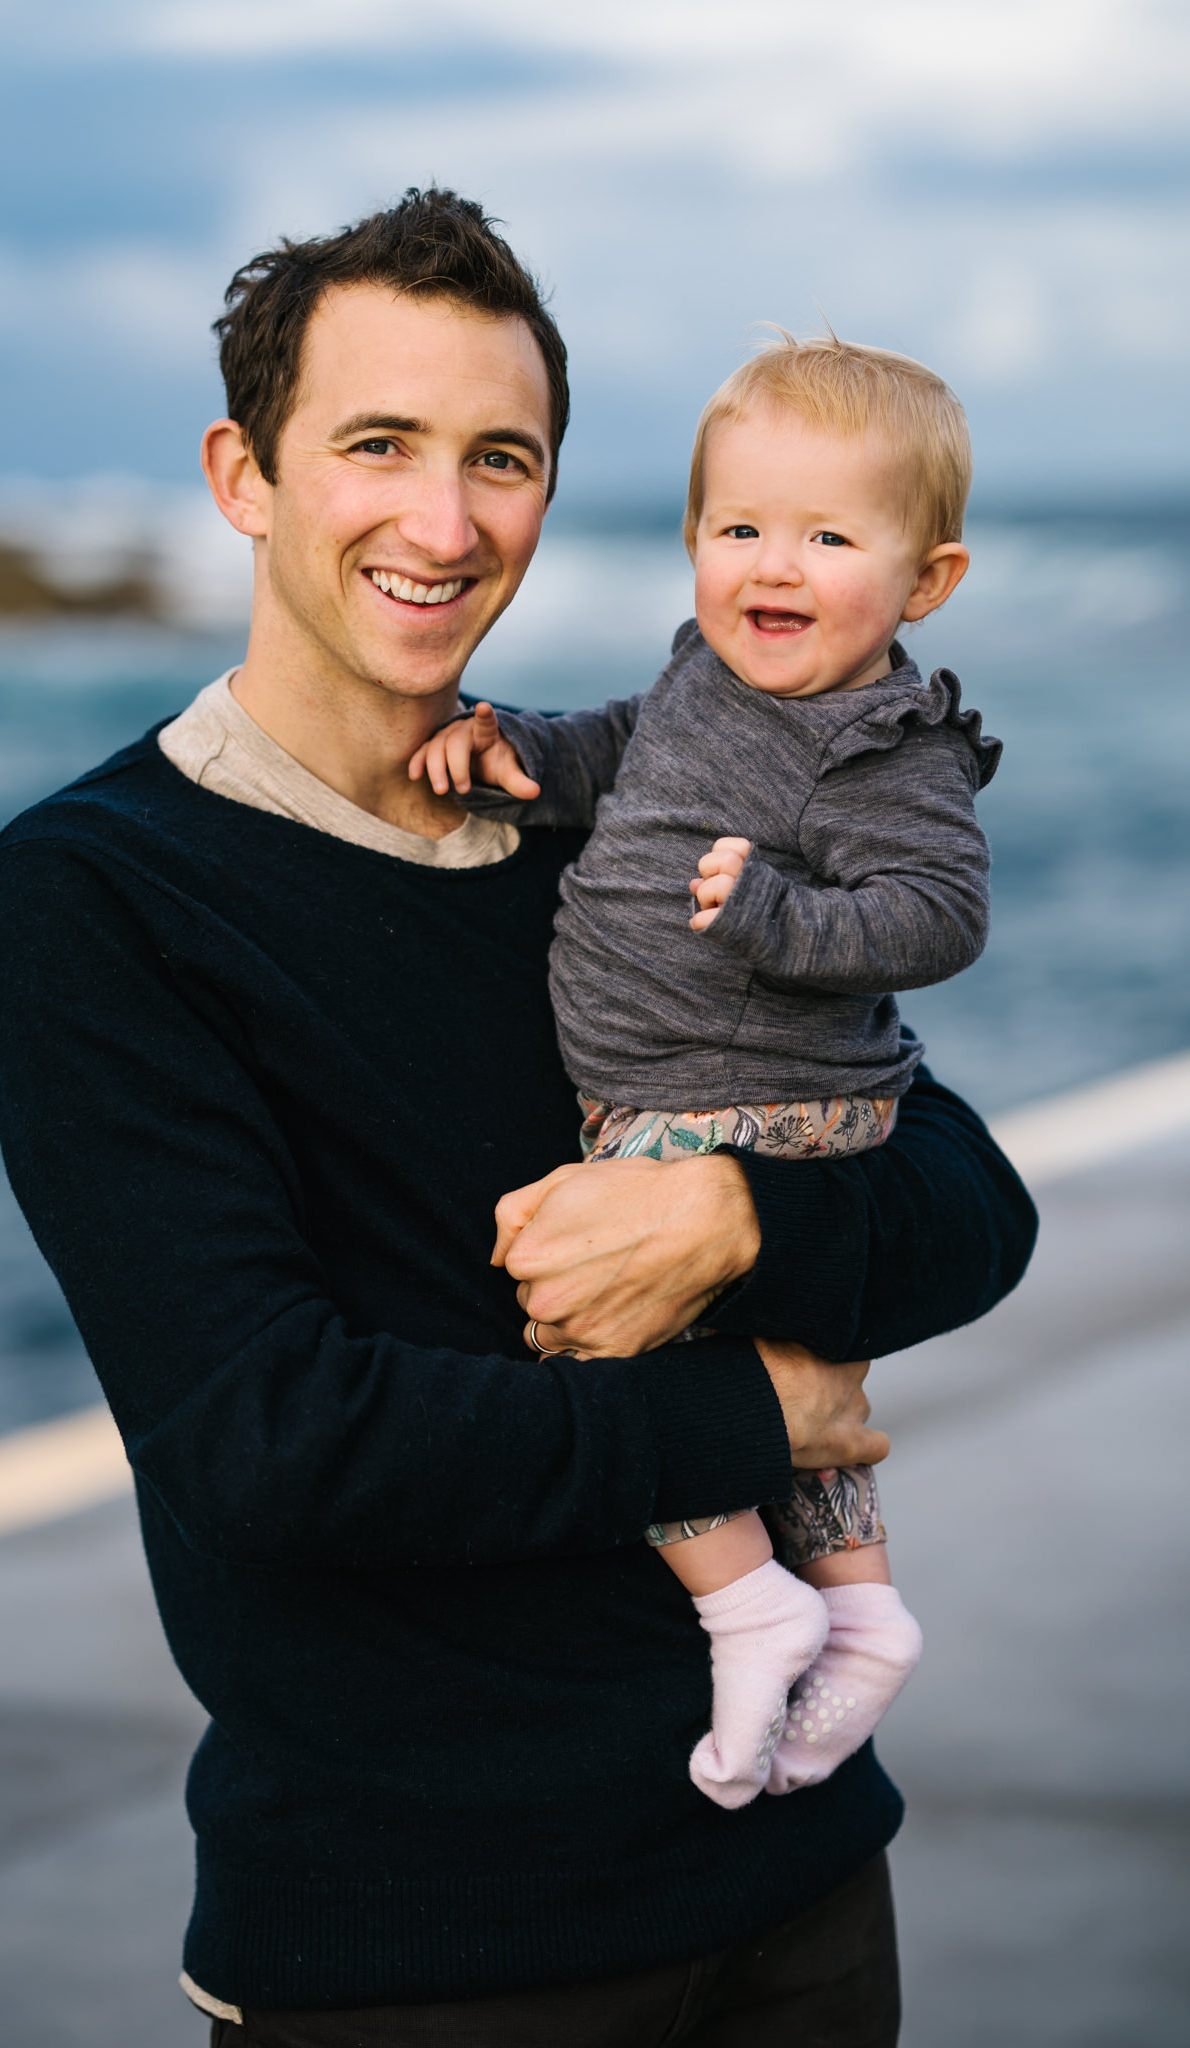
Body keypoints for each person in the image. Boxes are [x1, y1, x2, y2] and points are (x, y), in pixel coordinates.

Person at [0, 189, 1036, 2046]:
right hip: (422, 1950)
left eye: (503, 460)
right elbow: (271, 1442)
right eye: (376, 446)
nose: (445, 524)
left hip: (795, 1875)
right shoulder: (101, 890)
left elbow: (964, 1195)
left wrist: (736, 1226)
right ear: (245, 474)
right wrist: (758, 1405)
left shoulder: (617, 815)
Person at [412, 332, 996, 1811]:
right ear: (690, 544)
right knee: (784, 1384)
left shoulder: (880, 743)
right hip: (688, 1089)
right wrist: (524, 751)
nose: (770, 566)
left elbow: (939, 915)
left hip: (746, 1090)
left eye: (825, 534)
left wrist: (773, 917)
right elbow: (626, 749)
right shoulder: (703, 676)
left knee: (595, 1316)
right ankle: (859, 1605)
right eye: (737, 528)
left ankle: (751, 1605)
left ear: (924, 583)